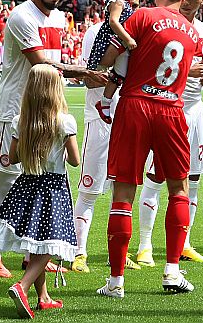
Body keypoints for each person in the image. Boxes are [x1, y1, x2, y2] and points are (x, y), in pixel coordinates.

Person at [0, 0, 106, 278]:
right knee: (6, 181)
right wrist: (85, 74)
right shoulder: (23, 16)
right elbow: (42, 64)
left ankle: (31, 255)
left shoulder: (60, 18)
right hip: (16, 112)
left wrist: (81, 76)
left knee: (37, 184)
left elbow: (56, 65)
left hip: (47, 113)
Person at [94, 0, 203, 298]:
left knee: (123, 192)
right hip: (172, 108)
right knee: (179, 188)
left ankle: (115, 282)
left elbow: (110, 56)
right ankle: (172, 271)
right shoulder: (191, 33)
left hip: (135, 105)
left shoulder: (141, 15)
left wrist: (109, 66)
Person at [135, 0, 203, 267]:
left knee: (192, 178)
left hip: (196, 109)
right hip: (169, 106)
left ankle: (184, 243)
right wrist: (191, 72)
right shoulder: (163, 23)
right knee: (157, 177)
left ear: (201, 0)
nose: (190, 1)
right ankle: (145, 245)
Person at [0, 64, 80, 319]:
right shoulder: (64, 121)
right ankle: (23, 285)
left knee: (36, 243)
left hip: (27, 184)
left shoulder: (21, 120)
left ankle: (44, 297)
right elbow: (74, 160)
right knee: (51, 243)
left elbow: (13, 158)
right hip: (53, 188)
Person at [71, 22, 140, 273]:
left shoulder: (136, 31)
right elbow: (88, 78)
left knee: (120, 190)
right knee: (89, 189)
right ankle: (79, 252)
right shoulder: (95, 33)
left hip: (128, 117)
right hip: (99, 119)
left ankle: (117, 255)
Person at [90, 0, 138, 123]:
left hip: (116, 41)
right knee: (120, 73)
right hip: (114, 41)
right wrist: (129, 39)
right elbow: (113, 22)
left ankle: (105, 102)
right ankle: (105, 102)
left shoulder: (118, 0)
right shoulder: (117, 1)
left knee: (120, 74)